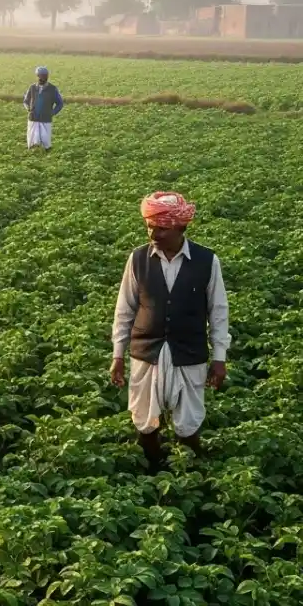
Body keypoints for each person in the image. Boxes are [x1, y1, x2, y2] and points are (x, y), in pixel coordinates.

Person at [110, 192, 229, 472]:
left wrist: (220, 358)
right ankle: (153, 469)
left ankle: (189, 473)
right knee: (144, 419)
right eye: (150, 226)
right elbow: (124, 309)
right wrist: (118, 354)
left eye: (161, 227)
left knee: (188, 421)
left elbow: (219, 312)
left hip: (189, 350)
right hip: (146, 350)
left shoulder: (206, 261)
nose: (154, 233)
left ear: (180, 227)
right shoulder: (138, 259)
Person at [22, 66, 64, 152]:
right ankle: (32, 151)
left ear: (47, 77)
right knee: (32, 138)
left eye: (44, 76)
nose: (42, 78)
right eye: (40, 76)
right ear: (37, 76)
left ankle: (47, 152)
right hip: (33, 117)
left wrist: (52, 113)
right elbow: (25, 101)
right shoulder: (32, 88)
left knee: (45, 139)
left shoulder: (52, 89)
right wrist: (28, 108)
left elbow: (60, 103)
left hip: (46, 119)